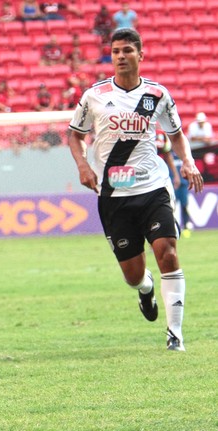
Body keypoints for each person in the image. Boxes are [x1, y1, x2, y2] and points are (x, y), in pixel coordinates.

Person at [67, 28, 204, 351]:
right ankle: (146, 290)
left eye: (127, 50)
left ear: (140, 56)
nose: (120, 57)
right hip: (114, 195)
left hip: (153, 188)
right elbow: (74, 135)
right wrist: (83, 166)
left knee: (168, 251)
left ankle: (175, 335)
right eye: (115, 51)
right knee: (133, 275)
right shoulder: (95, 96)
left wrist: (188, 162)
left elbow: (177, 134)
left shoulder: (157, 95)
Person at [156, 131, 192, 236]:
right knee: (168, 206)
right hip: (165, 181)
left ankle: (185, 226)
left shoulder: (181, 155)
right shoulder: (167, 154)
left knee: (184, 204)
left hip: (181, 183)